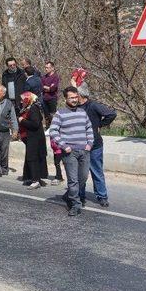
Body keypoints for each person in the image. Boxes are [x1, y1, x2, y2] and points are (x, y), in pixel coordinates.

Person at [49, 86, 94, 216]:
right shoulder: (60, 113)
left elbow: (89, 128)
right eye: (71, 98)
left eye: (76, 97)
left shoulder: (82, 112)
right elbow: (53, 131)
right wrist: (63, 145)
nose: (74, 100)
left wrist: (90, 144)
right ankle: (75, 204)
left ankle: (69, 195)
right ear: (66, 99)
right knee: (73, 180)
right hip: (69, 153)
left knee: (83, 178)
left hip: (84, 151)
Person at [77, 83, 117, 207]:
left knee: (97, 171)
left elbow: (111, 114)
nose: (74, 98)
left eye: (75, 95)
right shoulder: (75, 107)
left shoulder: (93, 105)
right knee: (80, 173)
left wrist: (100, 124)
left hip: (95, 146)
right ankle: (79, 196)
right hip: (80, 145)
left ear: (81, 95)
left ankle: (102, 196)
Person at [18, 92, 48, 189]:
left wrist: (23, 120)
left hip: (35, 139)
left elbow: (35, 124)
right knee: (31, 158)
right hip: (31, 138)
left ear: (28, 99)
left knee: (33, 158)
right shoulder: (29, 108)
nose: (21, 102)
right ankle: (33, 178)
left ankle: (35, 180)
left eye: (23, 100)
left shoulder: (33, 109)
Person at [0, 85, 18, 177]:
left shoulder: (9, 104)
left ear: (4, 93)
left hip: (4, 132)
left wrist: (15, 131)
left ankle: (4, 168)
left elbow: (13, 118)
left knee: (4, 152)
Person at [41, 61, 60, 128]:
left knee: (53, 114)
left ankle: (55, 128)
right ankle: (48, 128)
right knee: (46, 115)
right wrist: (47, 87)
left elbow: (53, 88)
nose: (46, 69)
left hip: (52, 98)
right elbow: (41, 87)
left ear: (52, 68)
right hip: (44, 98)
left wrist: (48, 88)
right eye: (45, 67)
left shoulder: (55, 77)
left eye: (47, 68)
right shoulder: (44, 77)